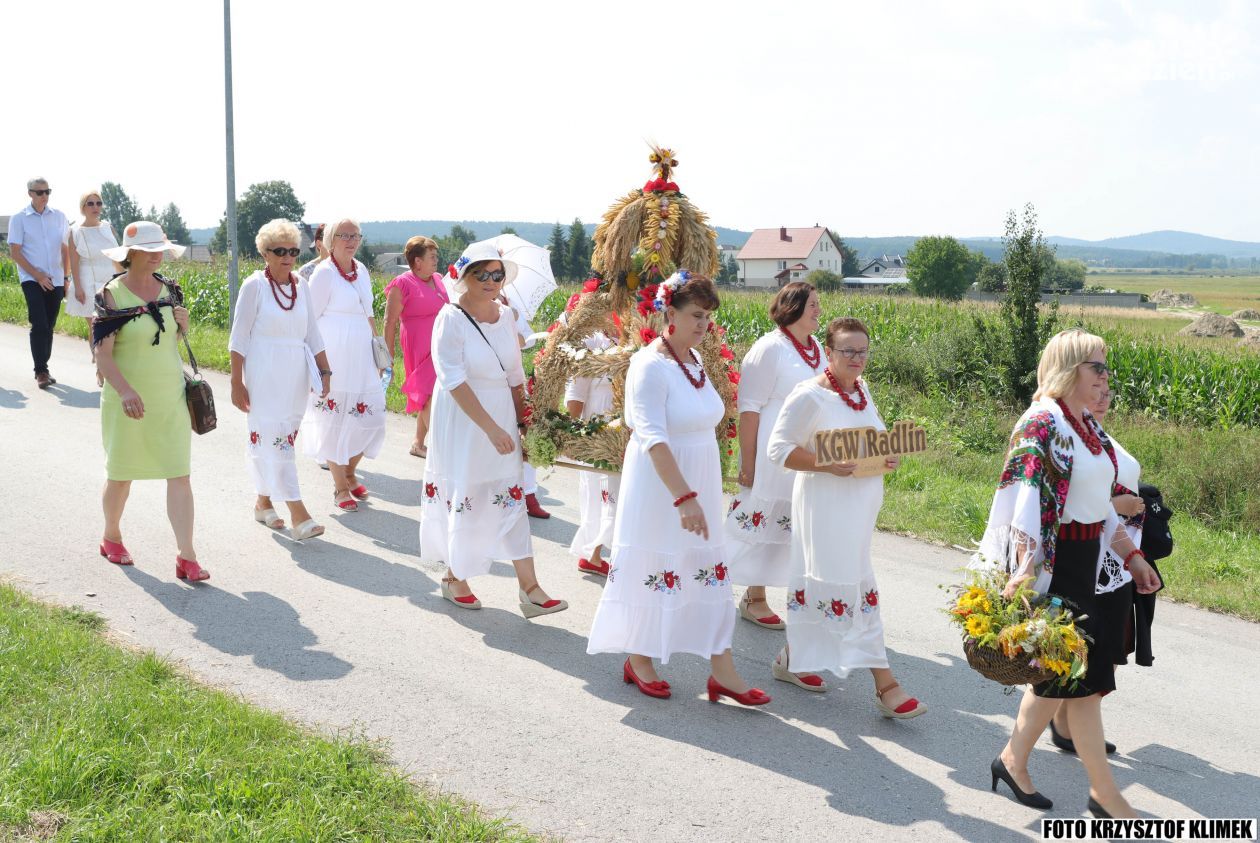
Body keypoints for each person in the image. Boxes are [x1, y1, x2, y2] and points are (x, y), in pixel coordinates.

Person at [982, 329, 1161, 818]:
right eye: (1096, 367)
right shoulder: (1041, 422)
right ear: (1068, 368)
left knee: (1073, 679)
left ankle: (1012, 759)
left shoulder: (1084, 425)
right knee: (1077, 681)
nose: (1105, 377)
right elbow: (1021, 505)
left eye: (1106, 367)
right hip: (1055, 567)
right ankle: (1106, 796)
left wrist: (1131, 556)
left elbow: (1099, 507)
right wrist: (1022, 572)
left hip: (1086, 564)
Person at [587, 272, 769, 706]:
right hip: (660, 486)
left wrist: (703, 488)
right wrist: (683, 496)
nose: (704, 324)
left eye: (708, 316)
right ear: (669, 312)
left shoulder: (695, 362)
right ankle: (640, 657)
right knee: (658, 561)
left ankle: (722, 671)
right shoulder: (649, 365)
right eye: (695, 315)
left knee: (704, 569)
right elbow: (651, 436)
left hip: (699, 478)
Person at [766, 317, 925, 716]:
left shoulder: (863, 391)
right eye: (848, 351)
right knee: (849, 587)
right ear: (830, 352)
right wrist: (825, 463)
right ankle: (886, 686)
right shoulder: (809, 396)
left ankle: (792, 657)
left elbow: (873, 441)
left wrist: (888, 456)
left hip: (859, 510)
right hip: (825, 508)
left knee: (835, 588)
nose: (857, 358)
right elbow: (778, 450)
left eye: (863, 351)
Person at [419, 242, 567, 618]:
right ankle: (455, 578)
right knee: (468, 492)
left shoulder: (507, 316)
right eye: (481, 274)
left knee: (509, 493)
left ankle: (529, 588)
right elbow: (453, 380)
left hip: (500, 411)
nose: (489, 281)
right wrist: (489, 428)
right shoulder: (449, 318)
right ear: (464, 277)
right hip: (465, 418)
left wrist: (522, 425)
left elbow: (515, 377)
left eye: (497, 274)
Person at [93, 221, 207, 581]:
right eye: (150, 248)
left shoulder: (171, 290)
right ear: (132, 253)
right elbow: (103, 355)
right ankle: (111, 534)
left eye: (160, 247)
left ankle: (186, 556)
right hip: (127, 399)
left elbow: (172, 341)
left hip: (169, 396)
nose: (158, 253)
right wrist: (125, 391)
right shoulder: (111, 295)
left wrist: (184, 324)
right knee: (122, 475)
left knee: (179, 473)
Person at [725, 283, 824, 664]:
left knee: (790, 523)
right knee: (760, 521)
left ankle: (759, 596)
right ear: (793, 307)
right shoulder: (769, 348)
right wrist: (747, 462)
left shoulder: (816, 349)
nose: (818, 311)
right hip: (771, 447)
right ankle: (751, 595)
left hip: (804, 448)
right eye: (812, 305)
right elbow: (748, 408)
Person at [1047, 386, 1146, 756]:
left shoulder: (1101, 438)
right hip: (1085, 552)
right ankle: (1056, 727)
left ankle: (1071, 724)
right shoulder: (1063, 435)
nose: (1105, 397)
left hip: (1118, 553)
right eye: (1096, 389)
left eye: (1109, 390)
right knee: (1079, 645)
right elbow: (1064, 499)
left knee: (1109, 646)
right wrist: (1117, 504)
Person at [229, 219, 333, 541]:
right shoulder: (254, 286)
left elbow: (312, 333)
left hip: (295, 374)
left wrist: (325, 370)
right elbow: (239, 337)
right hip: (263, 372)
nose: (288, 257)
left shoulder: (301, 286)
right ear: (265, 253)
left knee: (281, 437)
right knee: (273, 437)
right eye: (280, 251)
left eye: (293, 250)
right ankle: (298, 513)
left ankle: (262, 502)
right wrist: (236, 380)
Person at [301, 219, 387, 512]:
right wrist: (317, 361)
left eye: (355, 235)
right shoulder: (324, 274)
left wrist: (379, 351)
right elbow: (310, 319)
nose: (351, 240)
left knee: (372, 418)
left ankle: (350, 473)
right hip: (334, 352)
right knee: (334, 420)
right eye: (344, 235)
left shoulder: (361, 270)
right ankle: (340, 487)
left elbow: (370, 312)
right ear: (330, 239)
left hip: (362, 353)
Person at [383, 235, 447, 458]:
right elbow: (389, 322)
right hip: (418, 346)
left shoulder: (438, 279)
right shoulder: (402, 283)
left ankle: (418, 443)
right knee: (428, 394)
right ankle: (442, 449)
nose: (436, 260)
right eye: (432, 256)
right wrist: (388, 357)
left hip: (440, 345)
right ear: (417, 261)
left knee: (432, 393)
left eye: (436, 256)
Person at [565, 329, 618, 576]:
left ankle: (613, 554)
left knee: (621, 490)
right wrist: (572, 434)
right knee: (599, 489)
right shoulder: (593, 340)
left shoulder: (640, 334)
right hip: (597, 425)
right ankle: (593, 554)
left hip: (627, 425)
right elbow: (576, 390)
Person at [9, 177, 70, 388]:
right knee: (40, 323)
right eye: (40, 192)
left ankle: (44, 365)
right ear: (30, 194)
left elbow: (65, 249)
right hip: (31, 278)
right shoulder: (19, 219)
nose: (44, 195)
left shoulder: (60, 217)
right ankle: (41, 371)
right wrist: (37, 276)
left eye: (47, 191)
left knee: (50, 325)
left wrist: (66, 278)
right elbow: (15, 252)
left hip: (56, 278)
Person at [65, 189, 121, 355]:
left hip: (109, 280)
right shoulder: (75, 231)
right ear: (83, 207)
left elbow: (117, 256)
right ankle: (99, 366)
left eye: (98, 203)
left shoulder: (107, 228)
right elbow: (74, 262)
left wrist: (124, 279)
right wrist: (79, 288)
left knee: (113, 325)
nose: (95, 207)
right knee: (96, 325)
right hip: (87, 281)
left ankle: (107, 362)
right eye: (90, 203)